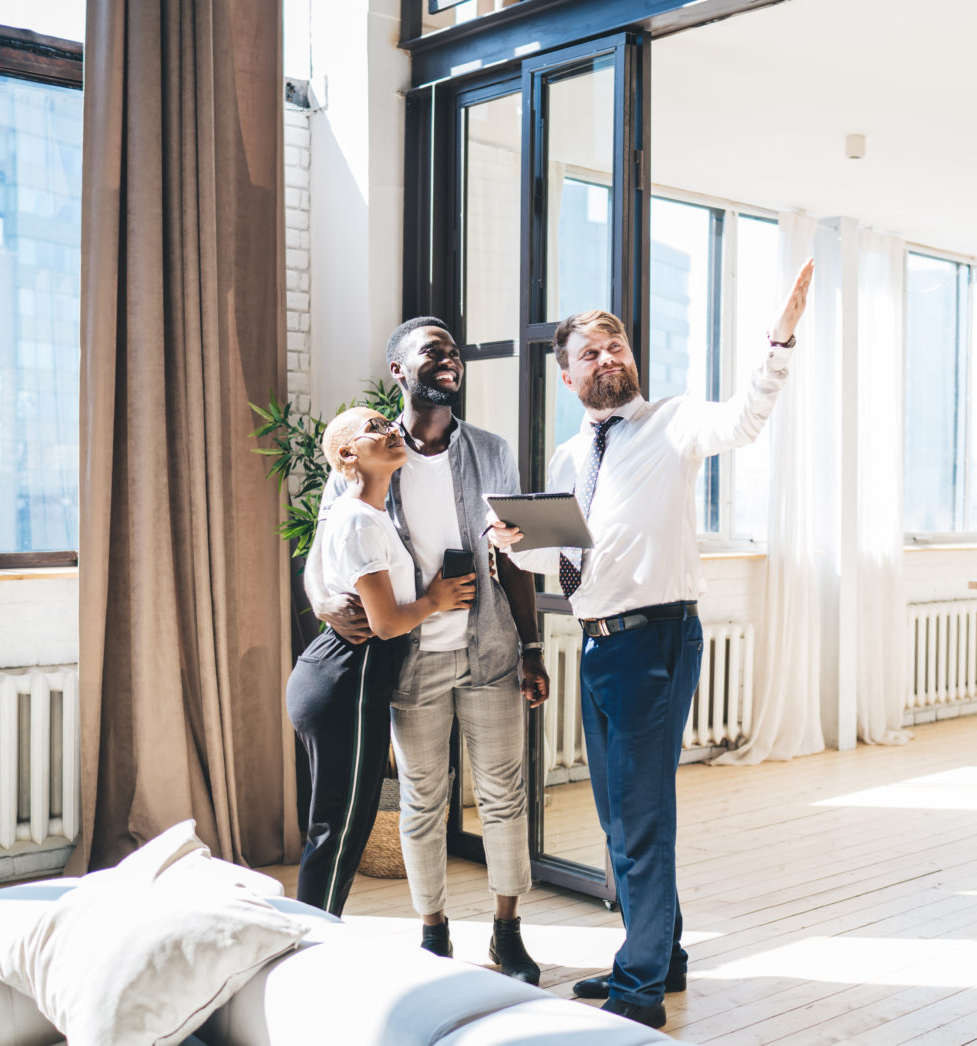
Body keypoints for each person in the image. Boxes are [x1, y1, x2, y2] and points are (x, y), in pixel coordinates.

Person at [488, 259, 814, 1028]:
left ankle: (639, 987)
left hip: (656, 641)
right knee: (618, 818)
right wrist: (513, 544)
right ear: (568, 378)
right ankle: (660, 959)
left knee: (639, 820)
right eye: (591, 353)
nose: (610, 358)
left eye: (618, 346)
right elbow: (571, 561)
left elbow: (744, 418)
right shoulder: (571, 459)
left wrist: (780, 338)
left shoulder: (672, 422)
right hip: (599, 644)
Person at [305, 318, 551, 983]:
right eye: (433, 351)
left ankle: (507, 929)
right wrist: (321, 602)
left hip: (492, 648)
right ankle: (433, 933)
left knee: (504, 793)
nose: (451, 360)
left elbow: (516, 555)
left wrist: (531, 643)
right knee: (422, 796)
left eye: (455, 352)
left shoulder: (494, 452)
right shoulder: (367, 453)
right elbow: (321, 553)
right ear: (398, 372)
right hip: (412, 658)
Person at [286, 407, 474, 915]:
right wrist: (437, 600)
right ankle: (308, 951)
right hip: (345, 681)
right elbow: (387, 623)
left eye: (389, 424)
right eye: (374, 429)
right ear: (348, 455)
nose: (391, 431)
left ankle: (316, 938)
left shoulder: (367, 516)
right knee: (338, 827)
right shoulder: (357, 519)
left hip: (349, 681)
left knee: (346, 824)